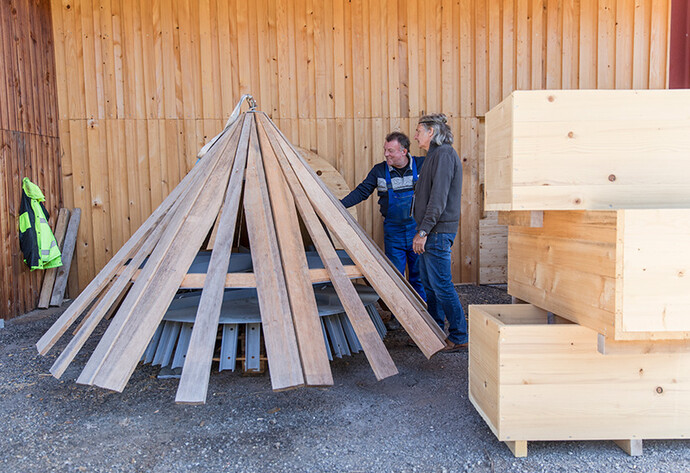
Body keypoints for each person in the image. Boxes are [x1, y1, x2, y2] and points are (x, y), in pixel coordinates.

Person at [340, 132, 427, 327]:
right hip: (394, 232)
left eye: (391, 151)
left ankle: (422, 318)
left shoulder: (422, 166)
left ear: (404, 151)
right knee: (396, 278)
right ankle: (400, 317)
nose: (386, 154)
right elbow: (362, 191)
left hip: (417, 231)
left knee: (418, 277)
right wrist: (338, 205)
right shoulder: (379, 171)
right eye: (385, 150)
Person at [412, 114, 468, 352]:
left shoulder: (444, 155)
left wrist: (423, 231)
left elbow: (439, 198)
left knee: (442, 285)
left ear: (431, 132)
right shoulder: (434, 156)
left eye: (418, 131)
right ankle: (433, 330)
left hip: (435, 231)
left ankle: (459, 336)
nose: (415, 136)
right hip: (430, 231)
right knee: (430, 285)